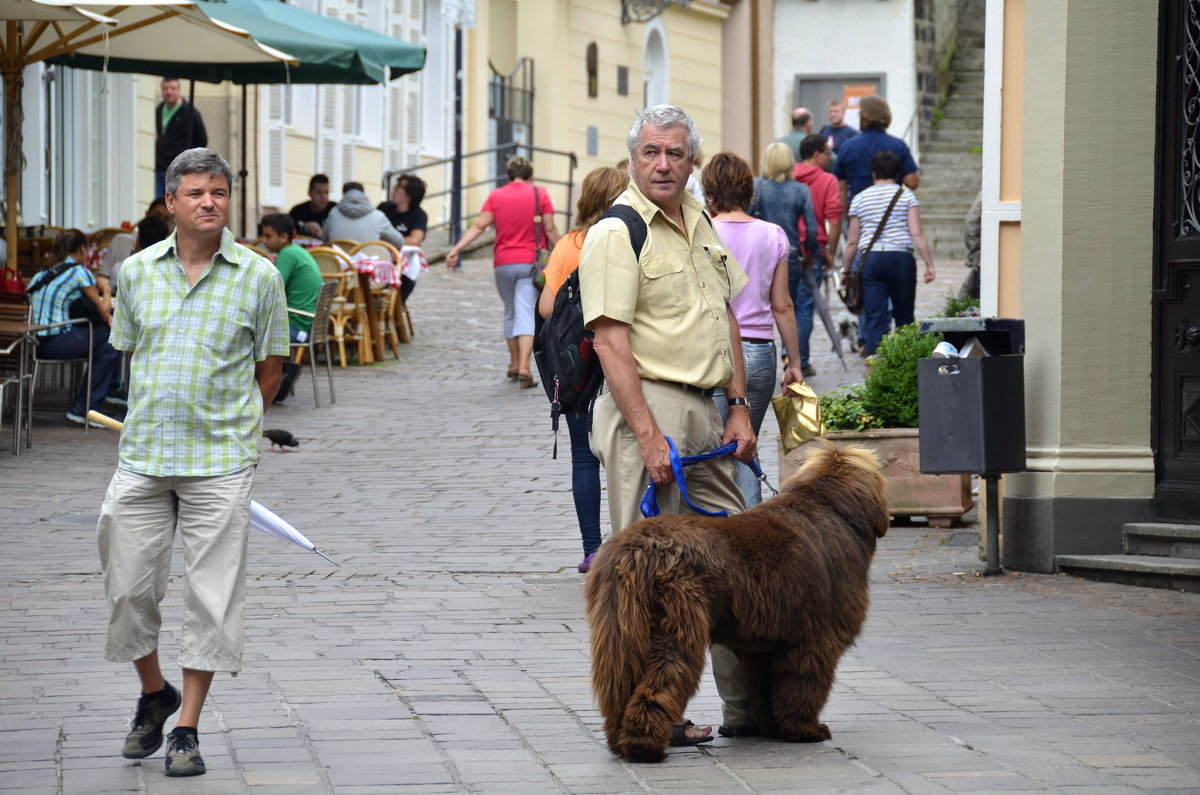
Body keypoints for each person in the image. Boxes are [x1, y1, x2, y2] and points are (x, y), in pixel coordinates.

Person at [100, 147, 288, 777]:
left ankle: (187, 728)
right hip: (144, 455)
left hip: (220, 461)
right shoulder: (137, 273)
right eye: (197, 193)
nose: (210, 202)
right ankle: (155, 692)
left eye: (219, 192)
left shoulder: (260, 277)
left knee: (212, 596)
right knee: (127, 586)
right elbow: (129, 353)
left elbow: (270, 370)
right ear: (171, 203)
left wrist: (239, 432)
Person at [579, 104, 755, 743]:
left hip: (706, 411)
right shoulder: (616, 231)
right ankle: (646, 716)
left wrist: (738, 403)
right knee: (647, 581)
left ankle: (750, 709)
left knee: (739, 561)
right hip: (645, 409)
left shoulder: (699, 219)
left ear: (692, 161)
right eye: (651, 151)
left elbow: (726, 315)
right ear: (633, 157)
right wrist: (650, 436)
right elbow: (608, 341)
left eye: (675, 153)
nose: (662, 164)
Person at [536, 166, 628, 574]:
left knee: (583, 457)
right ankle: (632, 541)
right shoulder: (629, 239)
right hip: (624, 359)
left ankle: (593, 548)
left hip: (580, 365)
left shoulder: (568, 246)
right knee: (628, 454)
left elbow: (545, 309)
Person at [704, 152, 804, 507]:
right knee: (746, 442)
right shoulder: (773, 235)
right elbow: (782, 305)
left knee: (716, 451)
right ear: (749, 191)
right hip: (760, 352)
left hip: (714, 350)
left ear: (709, 193)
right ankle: (753, 532)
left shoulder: (703, 230)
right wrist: (795, 363)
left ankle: (725, 533)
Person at [446, 156, 561, 388]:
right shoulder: (540, 194)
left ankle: (513, 363)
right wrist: (564, 250)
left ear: (508, 176)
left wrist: (456, 250)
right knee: (527, 311)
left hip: (503, 263)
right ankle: (524, 367)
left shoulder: (496, 195)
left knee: (510, 310)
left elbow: (479, 226)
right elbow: (549, 228)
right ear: (530, 175)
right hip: (531, 263)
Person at [27, 228, 124, 425]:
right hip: (54, 342)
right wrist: (105, 290)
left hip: (30, 342)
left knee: (105, 337)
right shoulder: (80, 272)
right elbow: (103, 312)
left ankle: (99, 397)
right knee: (109, 338)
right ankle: (90, 406)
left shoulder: (42, 273)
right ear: (82, 249)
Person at [842, 150, 936, 355]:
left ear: (873, 173)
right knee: (904, 314)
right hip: (901, 258)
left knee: (875, 316)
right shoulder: (907, 196)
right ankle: (904, 360)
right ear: (898, 173)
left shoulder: (860, 198)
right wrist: (929, 264)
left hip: (871, 259)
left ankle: (876, 362)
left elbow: (852, 241)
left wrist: (846, 269)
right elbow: (917, 233)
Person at [753, 142, 820, 375]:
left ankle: (758, 355)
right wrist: (809, 252)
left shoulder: (757, 187)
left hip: (760, 255)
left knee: (759, 306)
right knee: (790, 306)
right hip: (789, 254)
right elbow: (812, 229)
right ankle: (792, 357)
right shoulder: (801, 190)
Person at [793, 133, 844, 364]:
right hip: (813, 251)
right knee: (804, 308)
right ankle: (799, 361)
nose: (829, 156)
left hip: (786, 249)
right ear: (816, 154)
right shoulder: (827, 180)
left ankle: (788, 357)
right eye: (826, 151)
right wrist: (831, 252)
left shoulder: (788, 176)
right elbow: (834, 218)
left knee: (785, 306)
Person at [833, 94, 919, 207]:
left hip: (859, 213)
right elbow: (912, 182)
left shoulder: (848, 147)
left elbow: (840, 190)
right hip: (892, 212)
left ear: (863, 118)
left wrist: (847, 216)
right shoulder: (898, 145)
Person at [259, 213, 323, 343]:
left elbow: (271, 289)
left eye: (268, 236)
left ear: (283, 237)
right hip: (306, 323)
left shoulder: (287, 254)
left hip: (295, 326)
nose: (263, 241)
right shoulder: (297, 250)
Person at [154, 78, 206, 198]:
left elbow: (202, 140)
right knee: (161, 201)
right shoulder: (159, 109)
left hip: (180, 169)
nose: (169, 92)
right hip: (161, 168)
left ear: (179, 90)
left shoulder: (190, 112)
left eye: (173, 89)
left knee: (178, 200)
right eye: (165, 89)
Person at [321, 182, 405, 248]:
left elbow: (324, 239)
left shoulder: (333, 213)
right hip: (368, 268)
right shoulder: (377, 216)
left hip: (339, 267)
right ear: (363, 194)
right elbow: (399, 242)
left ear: (344, 195)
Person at [377, 174, 428, 246]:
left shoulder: (419, 215)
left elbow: (414, 240)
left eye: (398, 186)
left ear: (410, 193)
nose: (394, 188)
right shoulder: (384, 207)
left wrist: (384, 242)